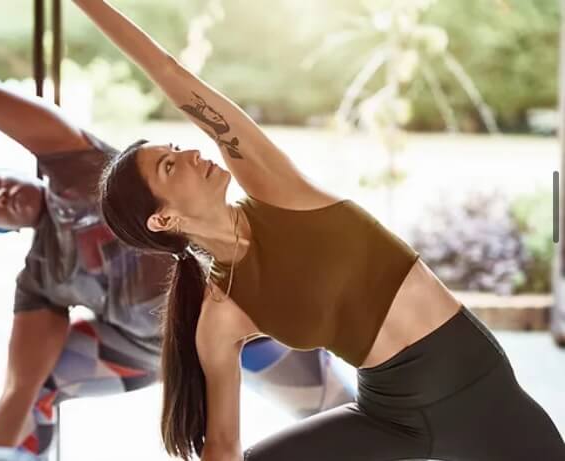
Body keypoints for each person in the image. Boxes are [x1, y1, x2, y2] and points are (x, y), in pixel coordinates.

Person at [0, 1, 355, 457]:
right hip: (145, 351)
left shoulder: (76, 168)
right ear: (3, 230)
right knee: (41, 387)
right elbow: (19, 389)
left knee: (346, 414)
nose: (0, 197)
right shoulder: (42, 277)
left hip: (239, 326)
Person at [76, 1, 565, 460]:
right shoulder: (221, 313)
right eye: (168, 166)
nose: (187, 153)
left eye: (175, 147)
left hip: (475, 386)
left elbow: (171, 74)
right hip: (387, 418)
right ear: (163, 220)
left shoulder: (276, 190)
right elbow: (222, 446)